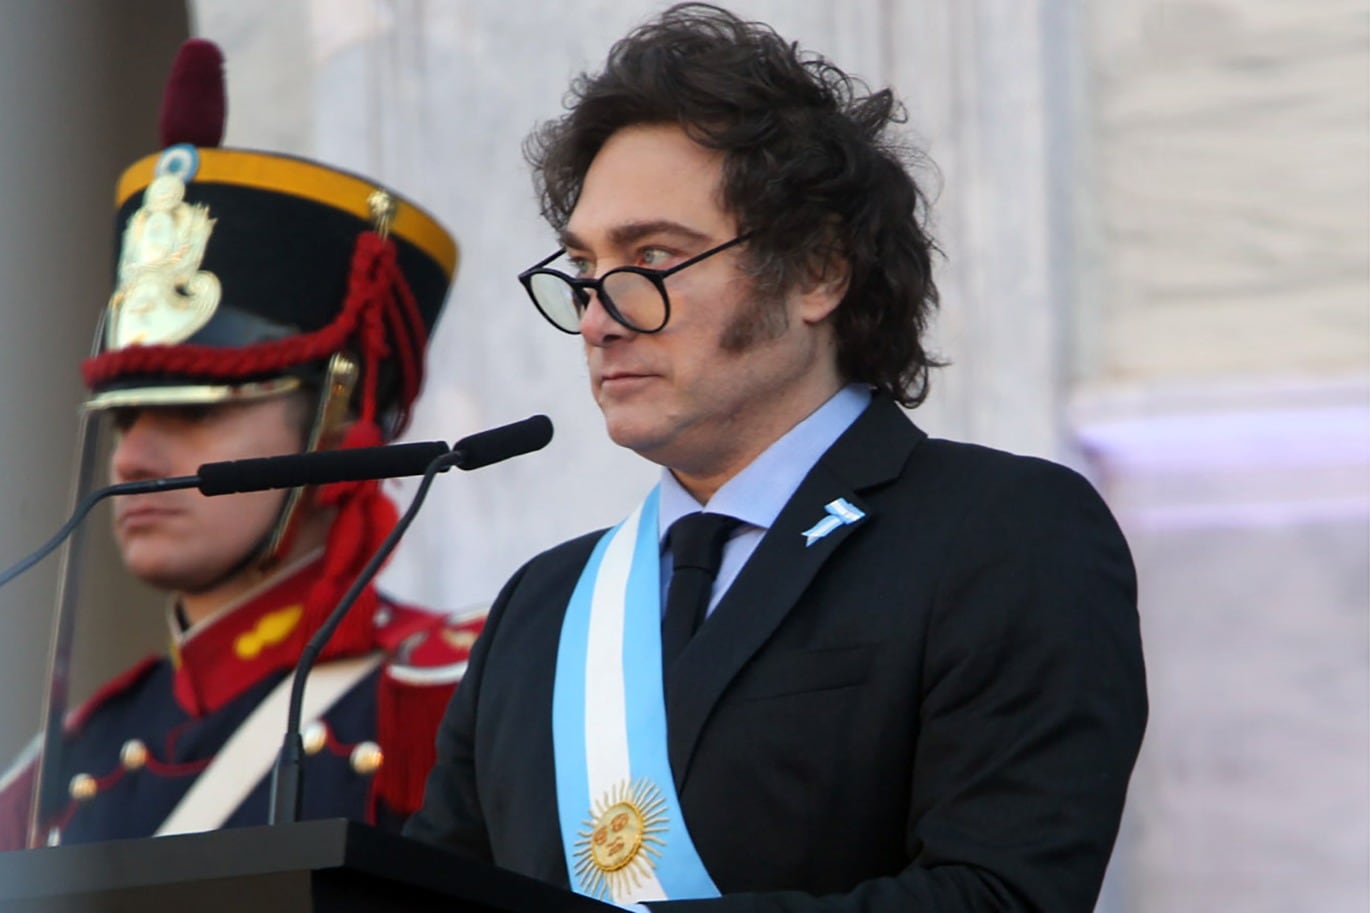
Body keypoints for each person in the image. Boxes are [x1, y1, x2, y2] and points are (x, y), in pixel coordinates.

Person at [406, 4, 1147, 912]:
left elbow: (1004, 895)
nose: (598, 318)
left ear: (817, 271)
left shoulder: (1004, 531)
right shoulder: (542, 606)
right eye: (584, 271)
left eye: (651, 257)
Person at [0, 38, 481, 850]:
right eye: (125, 419)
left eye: (195, 413)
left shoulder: (451, 695)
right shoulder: (48, 775)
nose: (132, 460)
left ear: (335, 425)